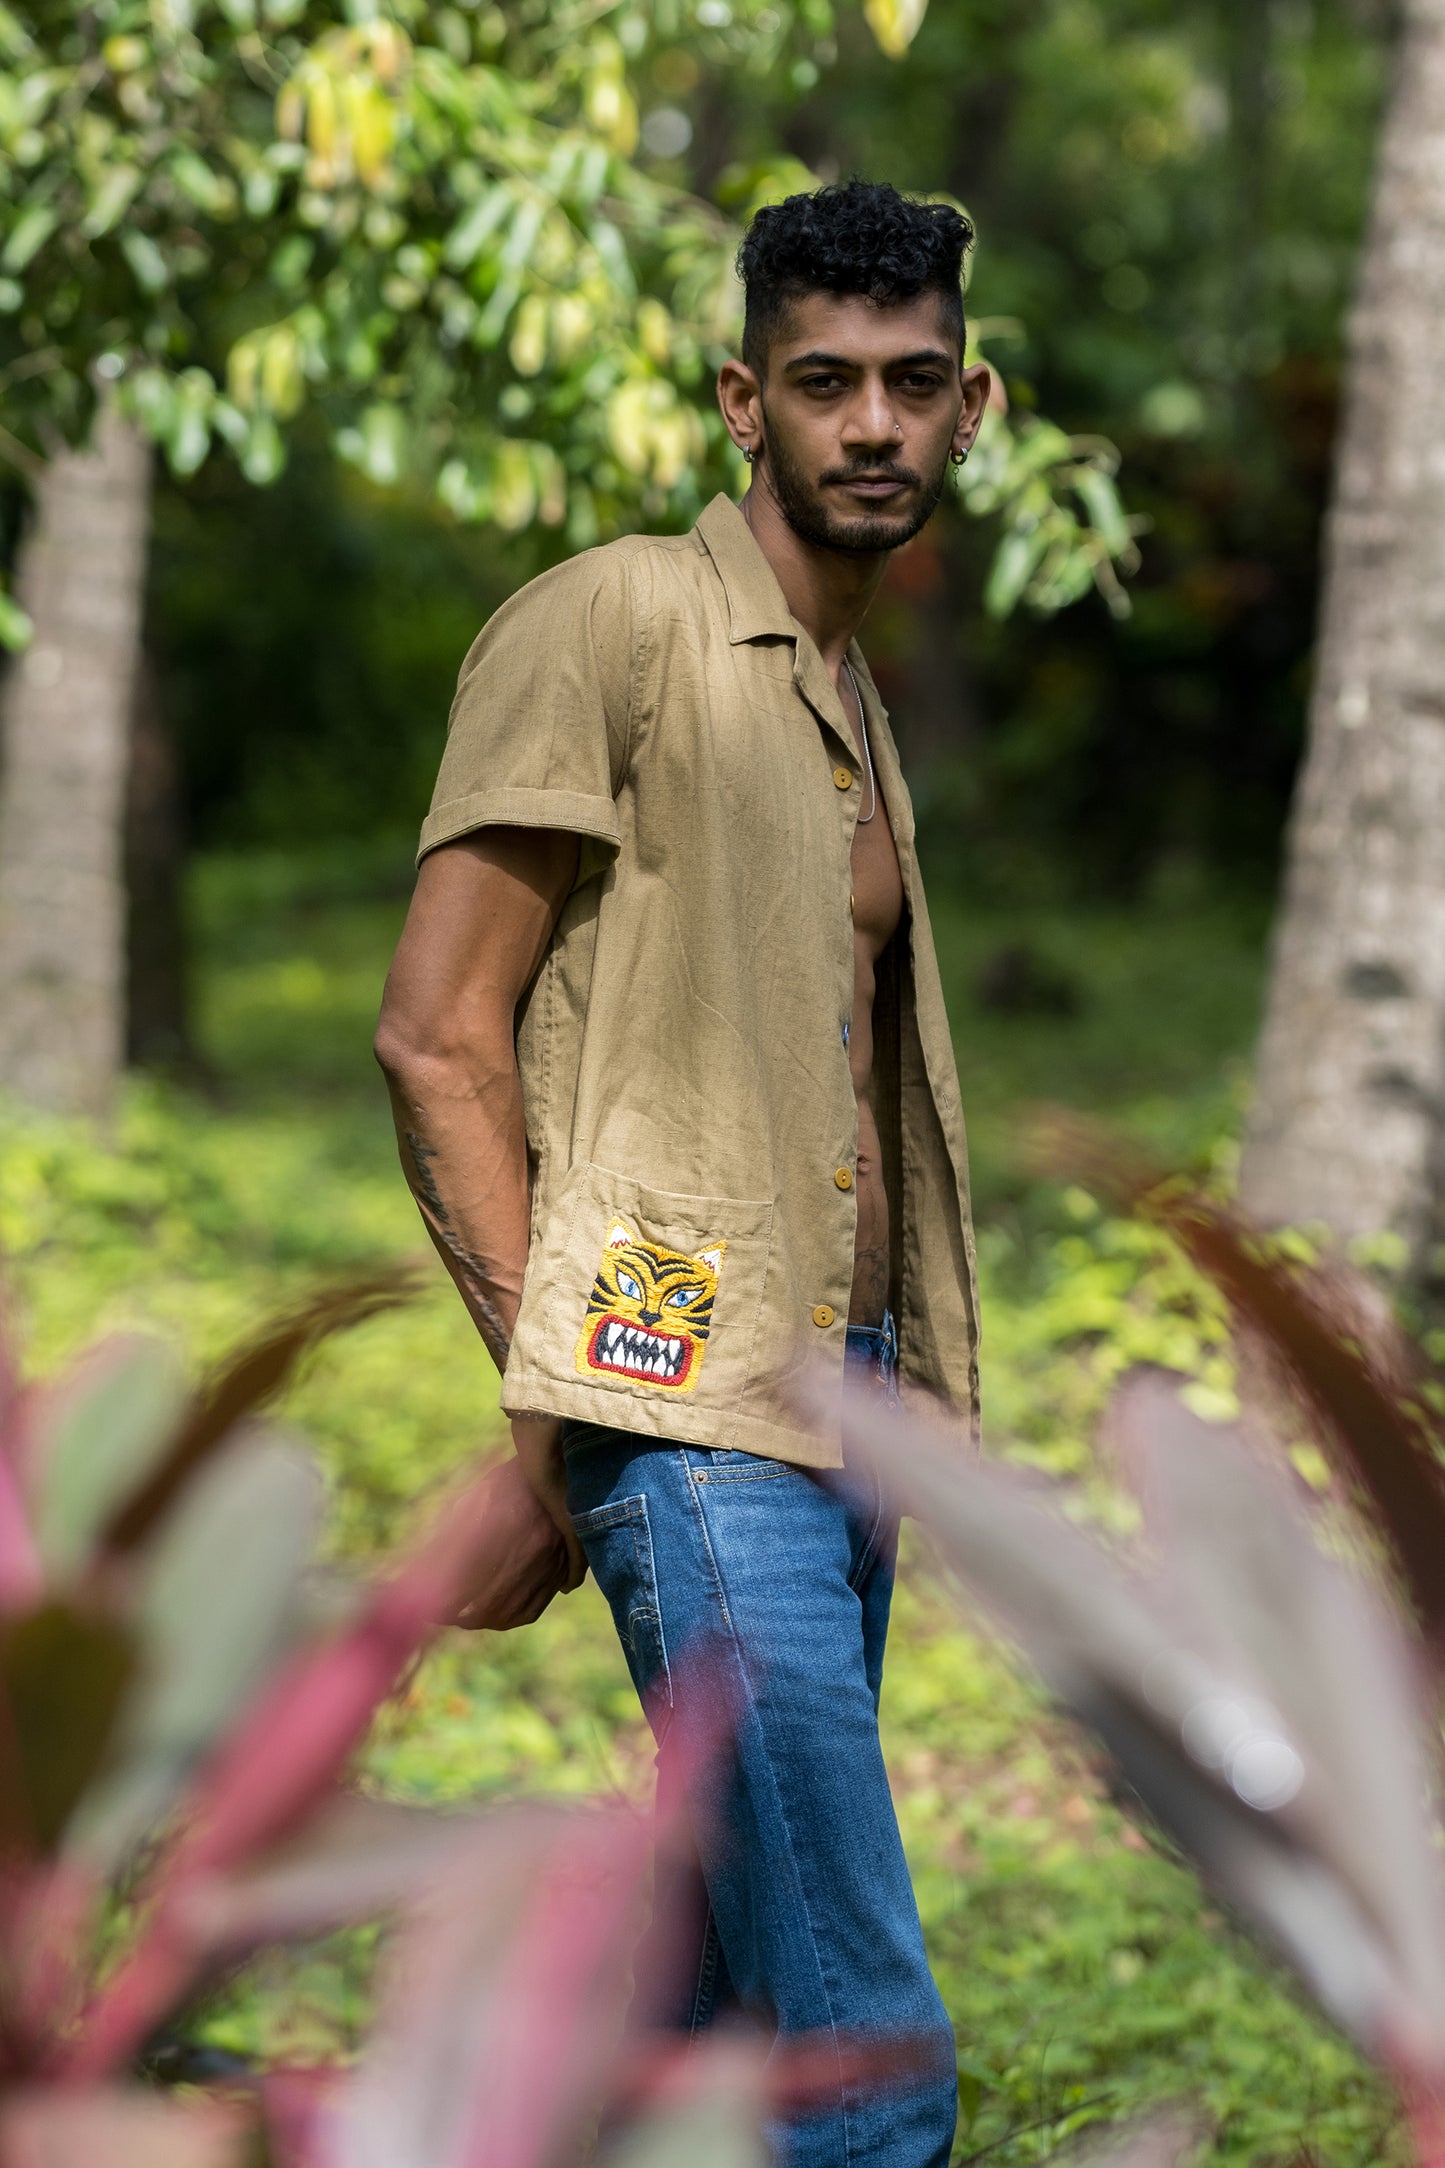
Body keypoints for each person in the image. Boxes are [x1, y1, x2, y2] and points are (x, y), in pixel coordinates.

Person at [375, 178, 989, 2167]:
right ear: (748, 401)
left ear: (970, 406)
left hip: (850, 1391)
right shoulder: (611, 624)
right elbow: (439, 1029)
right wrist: (567, 1392)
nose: (872, 426)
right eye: (826, 383)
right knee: (859, 2040)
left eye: (912, 385)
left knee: (731, 1988)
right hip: (694, 1414)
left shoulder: (840, 691)